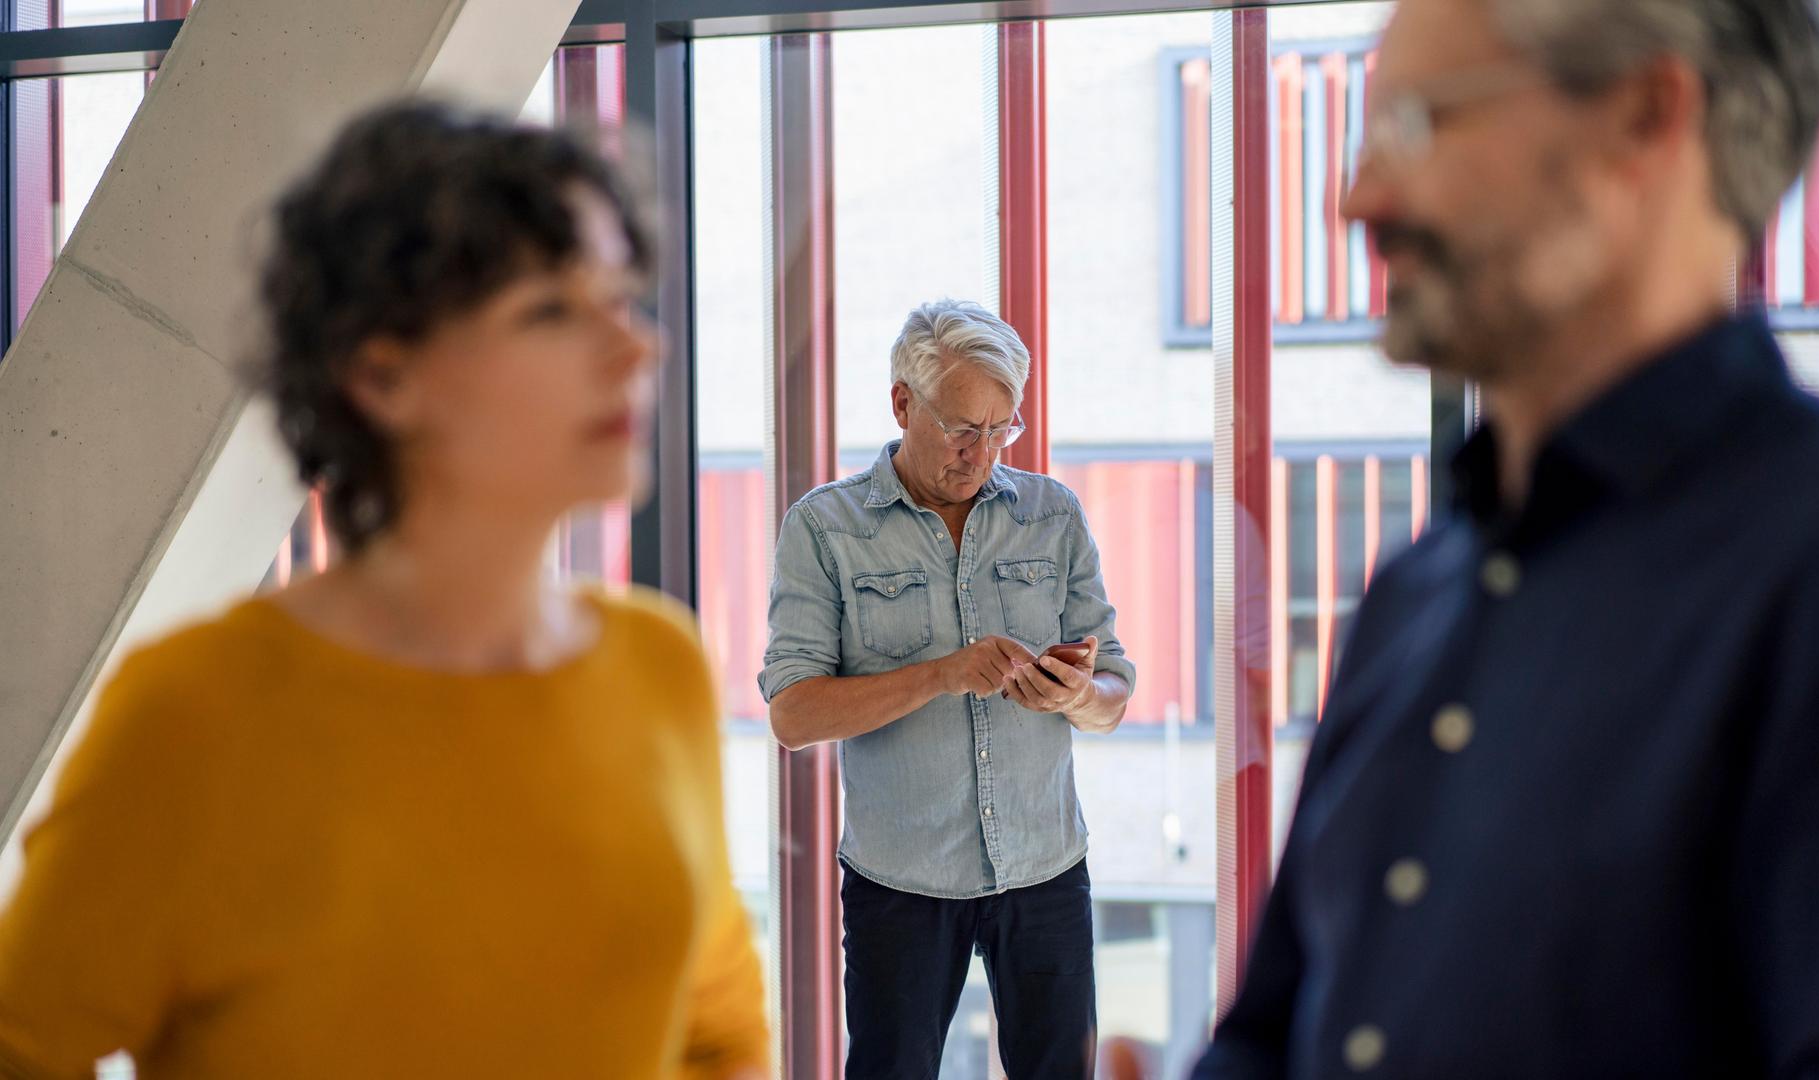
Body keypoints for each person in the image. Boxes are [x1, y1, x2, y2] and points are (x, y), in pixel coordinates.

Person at [1195, 0, 1819, 1075]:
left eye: (1416, 125)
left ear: (1644, 115)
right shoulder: (1412, 592)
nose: (1356, 198)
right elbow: (1268, 1035)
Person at [0, 102, 769, 1079]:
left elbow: (723, 1034)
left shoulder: (658, 667)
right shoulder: (196, 711)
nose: (636, 349)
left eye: (622, 297)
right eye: (550, 311)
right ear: (381, 374)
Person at [760, 299, 1136, 1080]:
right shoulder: (823, 530)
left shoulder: (1052, 515)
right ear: (902, 403)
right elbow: (793, 714)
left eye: (1003, 429)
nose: (983, 454)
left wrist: (1074, 696)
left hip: (1045, 871)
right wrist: (942, 673)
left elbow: (1114, 693)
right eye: (964, 428)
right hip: (900, 883)